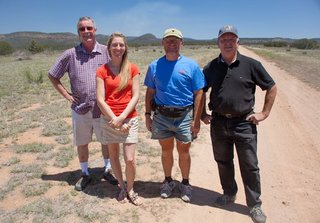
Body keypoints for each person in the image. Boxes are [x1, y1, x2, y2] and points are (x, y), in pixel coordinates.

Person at [201, 25, 277, 223]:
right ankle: (229, 192)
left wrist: (264, 113)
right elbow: (200, 91)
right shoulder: (211, 67)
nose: (227, 42)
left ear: (237, 42)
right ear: (218, 42)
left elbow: (271, 86)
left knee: (250, 165)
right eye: (223, 39)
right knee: (223, 162)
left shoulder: (251, 64)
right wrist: (202, 113)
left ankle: (255, 205)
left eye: (231, 39)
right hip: (218, 123)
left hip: (244, 123)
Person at [48, 16, 118, 191]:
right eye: (82, 29)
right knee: (82, 142)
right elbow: (53, 74)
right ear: (78, 32)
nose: (86, 31)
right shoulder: (70, 54)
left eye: (89, 28)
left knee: (107, 141)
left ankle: (108, 169)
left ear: (95, 30)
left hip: (103, 109)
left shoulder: (106, 51)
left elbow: (118, 72)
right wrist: (66, 95)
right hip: (81, 109)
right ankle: (85, 173)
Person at [144, 28, 206, 203]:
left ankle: (185, 183)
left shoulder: (191, 65)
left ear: (181, 43)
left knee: (184, 151)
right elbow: (150, 92)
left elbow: (199, 93)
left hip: (184, 116)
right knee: (165, 150)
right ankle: (168, 181)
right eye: (168, 40)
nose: (172, 44)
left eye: (175, 40)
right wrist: (148, 114)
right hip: (162, 115)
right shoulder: (154, 66)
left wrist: (196, 120)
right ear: (163, 43)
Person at [96, 32, 142, 206]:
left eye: (121, 45)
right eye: (114, 45)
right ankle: (122, 186)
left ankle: (131, 188)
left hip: (129, 119)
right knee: (113, 156)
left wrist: (122, 118)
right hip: (108, 119)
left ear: (125, 48)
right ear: (108, 48)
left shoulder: (133, 69)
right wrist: (114, 119)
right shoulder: (102, 71)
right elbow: (100, 99)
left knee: (130, 159)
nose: (118, 48)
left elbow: (136, 96)